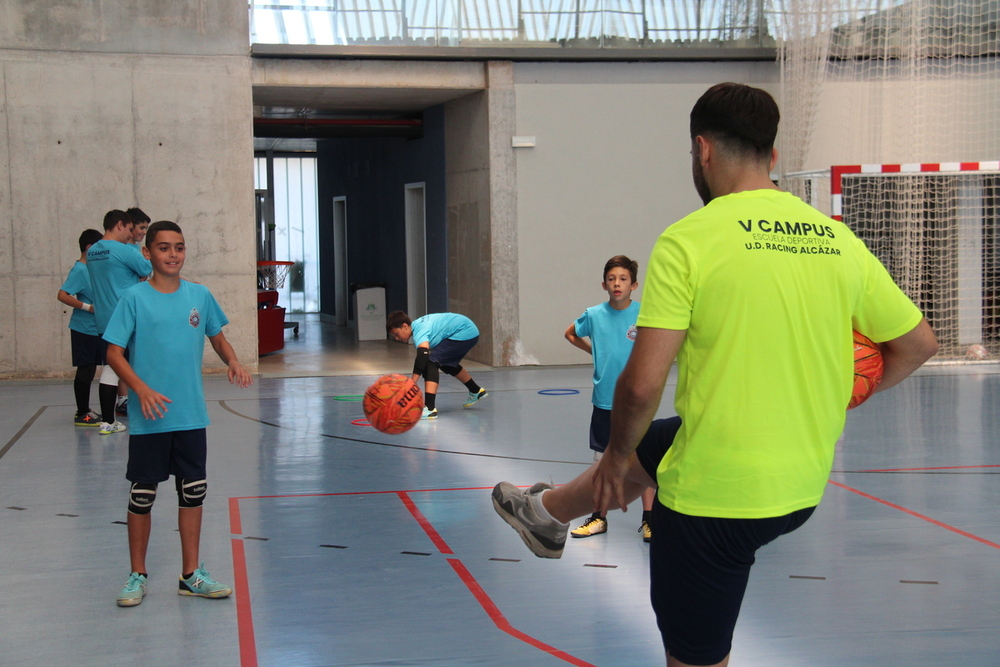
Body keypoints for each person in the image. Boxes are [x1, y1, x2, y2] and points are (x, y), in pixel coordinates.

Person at [492, 82, 939, 667]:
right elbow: (917, 343)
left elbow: (642, 384)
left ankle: (560, 507)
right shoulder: (837, 239)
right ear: (773, 157)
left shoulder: (690, 240)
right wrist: (846, 391)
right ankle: (548, 513)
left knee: (696, 660)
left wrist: (616, 458)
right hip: (801, 485)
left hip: (715, 504)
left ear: (702, 149)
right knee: (667, 439)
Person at [103, 220, 253, 607]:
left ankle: (190, 575)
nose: (173, 254)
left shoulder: (199, 296)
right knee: (142, 495)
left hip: (189, 415)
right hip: (149, 416)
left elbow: (216, 335)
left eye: (180, 247)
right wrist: (140, 389)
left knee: (193, 493)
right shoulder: (134, 298)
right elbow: (113, 353)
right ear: (147, 253)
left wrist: (233, 360)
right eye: (165, 247)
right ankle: (137, 575)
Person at [564, 255, 657, 542]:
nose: (617, 284)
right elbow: (570, 333)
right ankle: (598, 518)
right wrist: (593, 352)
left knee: (643, 460)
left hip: (635, 402)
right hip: (604, 400)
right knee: (602, 462)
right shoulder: (593, 314)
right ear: (604, 284)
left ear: (634, 284)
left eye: (624, 279)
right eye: (612, 279)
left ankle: (650, 520)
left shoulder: (644, 313)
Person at [87, 209, 152, 434]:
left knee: (110, 368)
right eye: (130, 229)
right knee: (136, 365)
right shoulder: (124, 250)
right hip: (126, 316)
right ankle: (142, 408)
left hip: (104, 318)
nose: (131, 234)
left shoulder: (93, 251)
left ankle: (108, 420)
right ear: (120, 225)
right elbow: (147, 268)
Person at [386, 311, 487, 419]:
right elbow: (422, 359)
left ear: (405, 326)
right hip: (469, 331)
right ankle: (476, 390)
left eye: (396, 334)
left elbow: (422, 357)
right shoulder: (418, 326)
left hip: (465, 332)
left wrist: (412, 382)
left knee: (431, 363)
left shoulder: (419, 330)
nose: (396, 338)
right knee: (445, 364)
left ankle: (430, 409)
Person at [56, 228, 105, 426]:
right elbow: (62, 294)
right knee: (85, 371)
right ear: (89, 248)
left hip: (95, 328)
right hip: (83, 328)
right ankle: (82, 413)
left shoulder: (93, 270)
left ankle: (85, 410)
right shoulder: (79, 270)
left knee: (91, 369)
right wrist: (88, 307)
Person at [115, 207, 153, 417]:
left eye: (146, 228)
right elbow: (146, 270)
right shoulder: (127, 251)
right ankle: (123, 399)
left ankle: (125, 397)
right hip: (127, 308)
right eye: (140, 228)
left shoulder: (123, 250)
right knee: (122, 356)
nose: (142, 232)